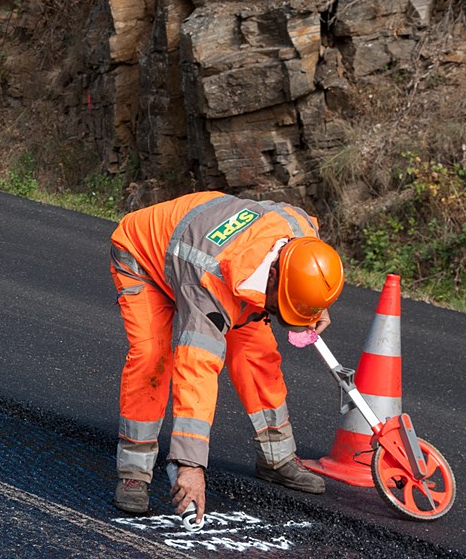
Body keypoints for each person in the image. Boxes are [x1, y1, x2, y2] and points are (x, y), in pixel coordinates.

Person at [109, 191, 345, 520]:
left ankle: (277, 458)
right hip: (147, 259)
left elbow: (313, 274)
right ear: (273, 276)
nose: (282, 315)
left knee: (258, 355)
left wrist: (314, 305)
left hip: (218, 256)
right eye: (283, 305)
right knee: (154, 357)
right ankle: (135, 470)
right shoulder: (210, 282)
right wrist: (190, 465)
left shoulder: (301, 235)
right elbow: (197, 371)